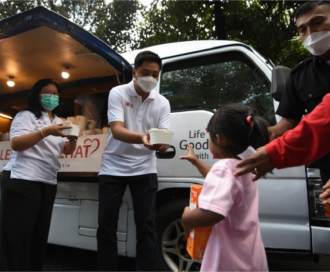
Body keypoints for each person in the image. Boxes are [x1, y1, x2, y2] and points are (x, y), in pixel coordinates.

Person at [234, 1, 330, 270]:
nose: (310, 33)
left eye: (317, 23)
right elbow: (288, 125)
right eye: (302, 29)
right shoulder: (298, 76)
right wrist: (254, 134)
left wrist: (276, 153)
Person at [97, 51, 170, 271]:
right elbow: (117, 130)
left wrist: (162, 143)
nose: (151, 78)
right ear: (134, 72)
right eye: (145, 72)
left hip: (145, 168)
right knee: (107, 225)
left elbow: (163, 133)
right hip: (113, 167)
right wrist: (142, 137)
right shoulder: (118, 93)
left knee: (147, 225)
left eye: (155, 74)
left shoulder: (163, 102)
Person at [0, 79, 77, 271]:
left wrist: (73, 139)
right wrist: (46, 131)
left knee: (38, 238)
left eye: (55, 93)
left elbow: (66, 151)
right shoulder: (26, 116)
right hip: (22, 179)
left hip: (47, 181)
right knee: (16, 240)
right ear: (36, 95)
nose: (51, 96)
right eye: (46, 92)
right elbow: (16, 144)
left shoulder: (59, 122)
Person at [180, 104, 268, 272]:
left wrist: (186, 218)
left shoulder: (225, 167)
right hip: (250, 255)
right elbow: (224, 185)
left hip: (229, 260)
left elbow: (213, 213)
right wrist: (197, 162)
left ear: (220, 139)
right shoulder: (246, 165)